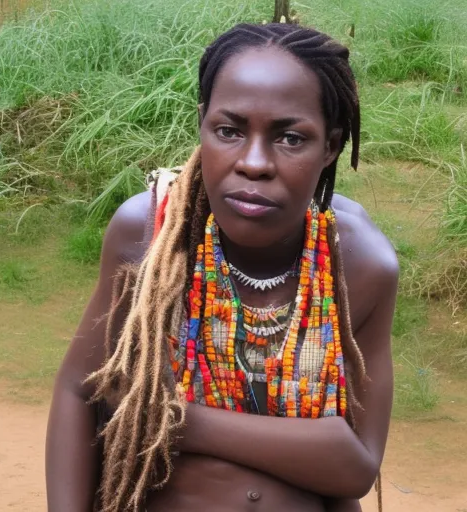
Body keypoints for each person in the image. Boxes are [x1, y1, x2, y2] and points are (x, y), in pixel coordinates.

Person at [46, 22, 398, 512]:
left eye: (291, 138)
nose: (254, 162)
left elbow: (356, 465)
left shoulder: (358, 266)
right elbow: (78, 392)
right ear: (202, 124)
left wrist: (172, 418)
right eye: (229, 131)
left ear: (332, 146)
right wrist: (313, 443)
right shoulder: (148, 234)